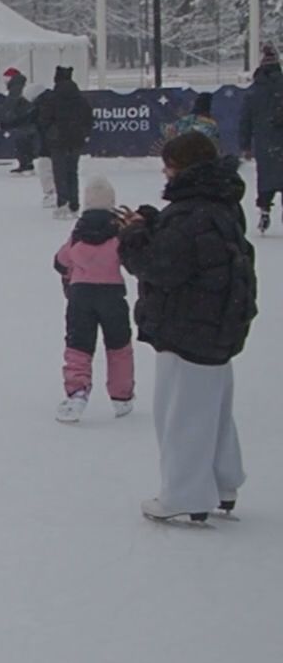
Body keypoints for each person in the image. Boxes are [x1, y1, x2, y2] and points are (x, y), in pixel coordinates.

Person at [117, 132, 255, 522]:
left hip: (189, 324)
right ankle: (223, 481)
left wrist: (132, 237)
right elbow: (195, 247)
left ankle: (185, 494)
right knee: (213, 409)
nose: (165, 174)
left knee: (183, 414)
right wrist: (155, 222)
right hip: (218, 323)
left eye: (168, 167)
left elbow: (161, 266)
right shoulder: (219, 201)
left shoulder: (191, 213)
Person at [51, 177, 135, 423]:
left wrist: (73, 273)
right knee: (119, 346)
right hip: (112, 296)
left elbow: (60, 261)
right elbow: (130, 261)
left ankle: (77, 391)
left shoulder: (78, 233)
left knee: (78, 345)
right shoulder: (118, 231)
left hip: (80, 297)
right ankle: (122, 396)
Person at [33, 66, 93, 219]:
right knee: (72, 171)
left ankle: (63, 203)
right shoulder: (80, 99)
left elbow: (43, 119)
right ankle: (74, 204)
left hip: (58, 141)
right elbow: (89, 119)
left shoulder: (52, 98)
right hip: (76, 140)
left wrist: (51, 132)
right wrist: (82, 132)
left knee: (59, 172)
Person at [240, 43, 283, 233]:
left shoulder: (253, 92)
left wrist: (245, 144)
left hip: (264, 141)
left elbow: (245, 120)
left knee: (266, 178)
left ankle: (264, 208)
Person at [0, 68, 38, 175]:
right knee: (26, 143)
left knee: (22, 143)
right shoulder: (21, 87)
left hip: (23, 121)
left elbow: (10, 105)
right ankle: (27, 164)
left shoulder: (15, 89)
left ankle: (26, 165)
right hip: (27, 120)